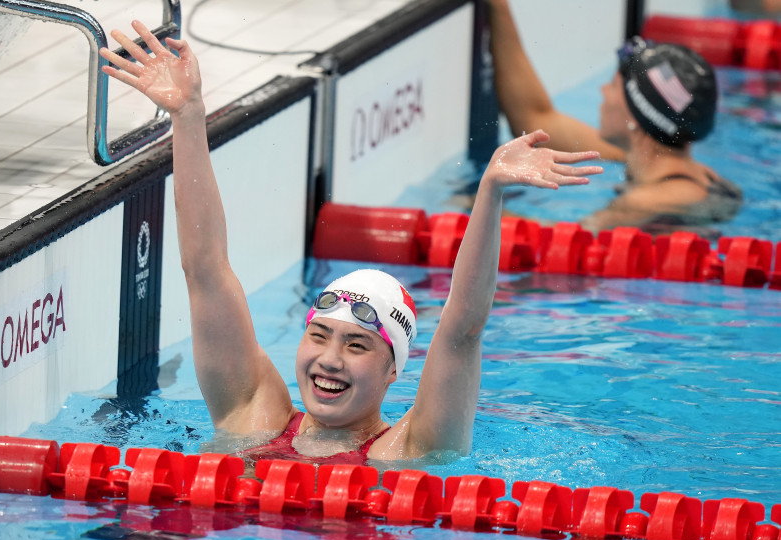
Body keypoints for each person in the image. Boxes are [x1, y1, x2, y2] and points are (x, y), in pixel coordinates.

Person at [100, 21, 602, 463]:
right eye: (320, 336)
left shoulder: (408, 450)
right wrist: (188, 116)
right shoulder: (252, 409)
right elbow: (205, 269)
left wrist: (490, 191)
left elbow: (463, 328)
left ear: (391, 373)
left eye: (357, 345)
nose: (330, 359)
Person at [487, 0, 742, 235]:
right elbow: (534, 119)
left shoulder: (652, 199)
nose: (603, 92)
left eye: (613, 85)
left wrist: (487, 210)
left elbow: (573, 239)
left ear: (636, 116)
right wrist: (498, 6)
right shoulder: (647, 157)